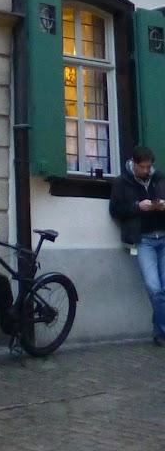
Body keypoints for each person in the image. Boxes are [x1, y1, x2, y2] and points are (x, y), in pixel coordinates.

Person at [110, 144, 165, 345]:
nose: (145, 170)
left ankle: (160, 333)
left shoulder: (160, 178)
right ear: (134, 164)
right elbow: (115, 210)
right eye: (142, 167)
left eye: (148, 167)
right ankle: (162, 331)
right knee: (154, 287)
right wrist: (137, 207)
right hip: (143, 241)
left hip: (164, 236)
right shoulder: (121, 182)